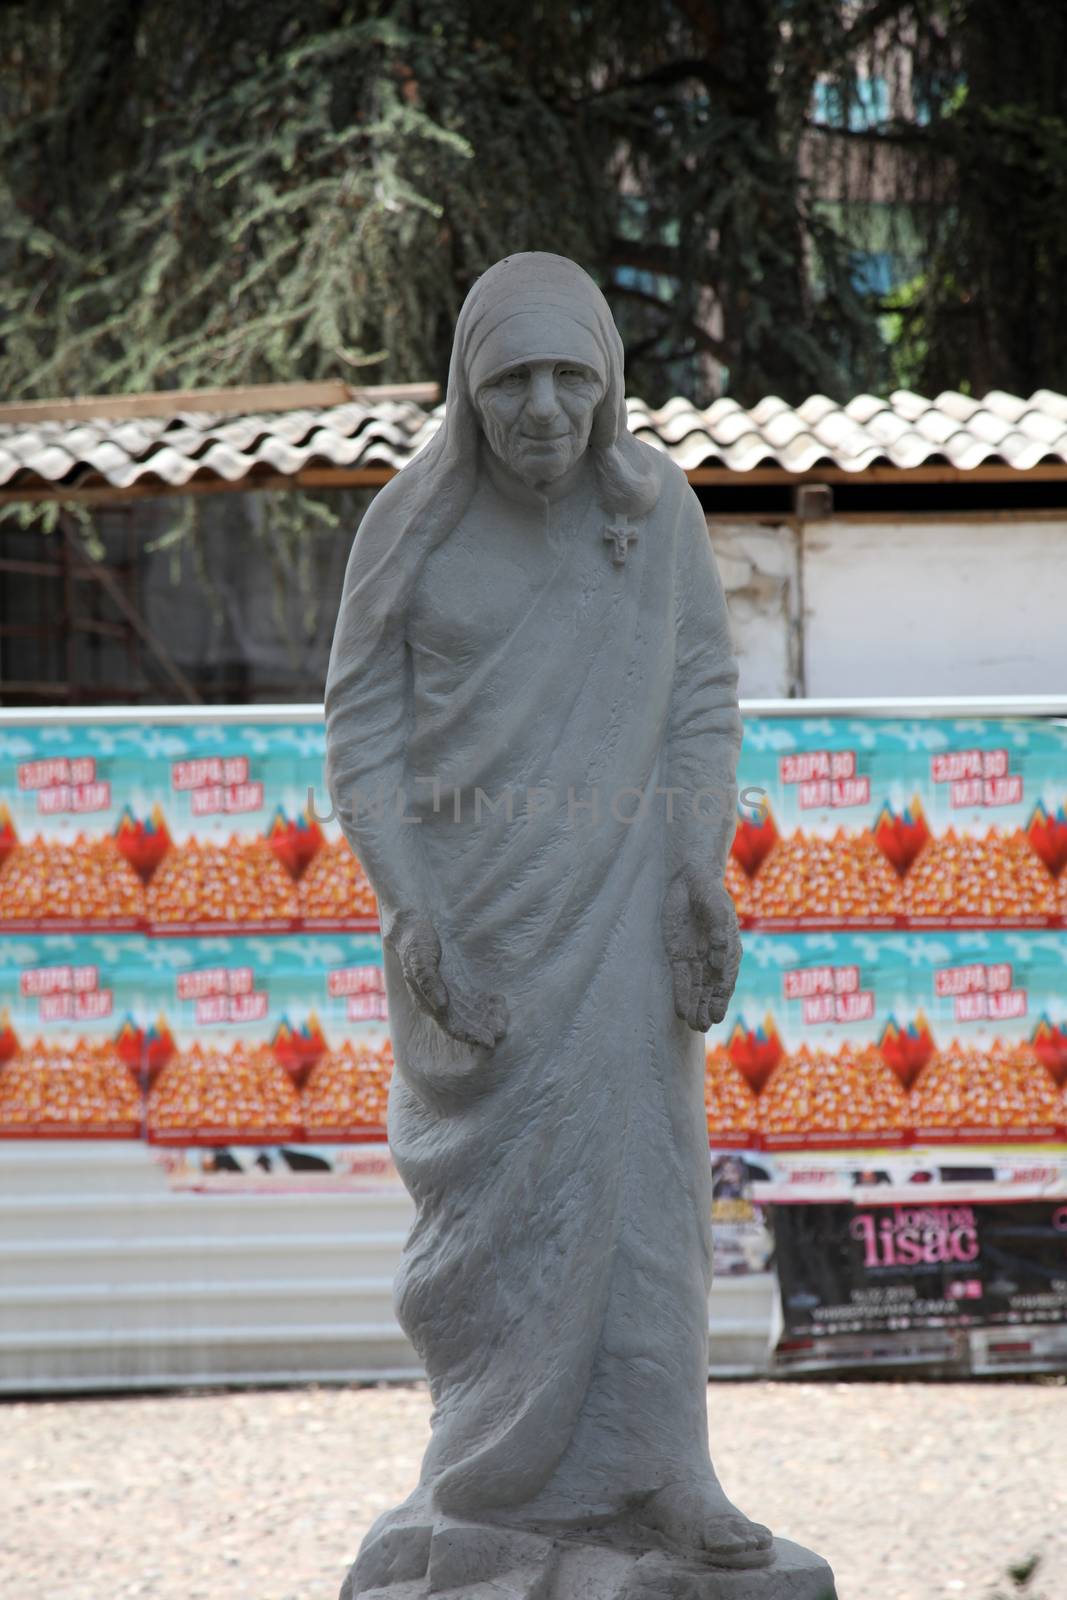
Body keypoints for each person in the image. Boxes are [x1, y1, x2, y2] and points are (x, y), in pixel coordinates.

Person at [325, 252, 772, 1592]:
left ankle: (665, 1474)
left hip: (628, 921)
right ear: (470, 387)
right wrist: (411, 903)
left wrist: (698, 861)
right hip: (477, 941)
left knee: (644, 1199)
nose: (542, 405)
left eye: (571, 376)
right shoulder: (413, 523)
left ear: (609, 386)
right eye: (513, 377)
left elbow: (699, 690)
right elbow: (361, 729)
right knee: (497, 1232)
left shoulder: (658, 514)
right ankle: (488, 1482)